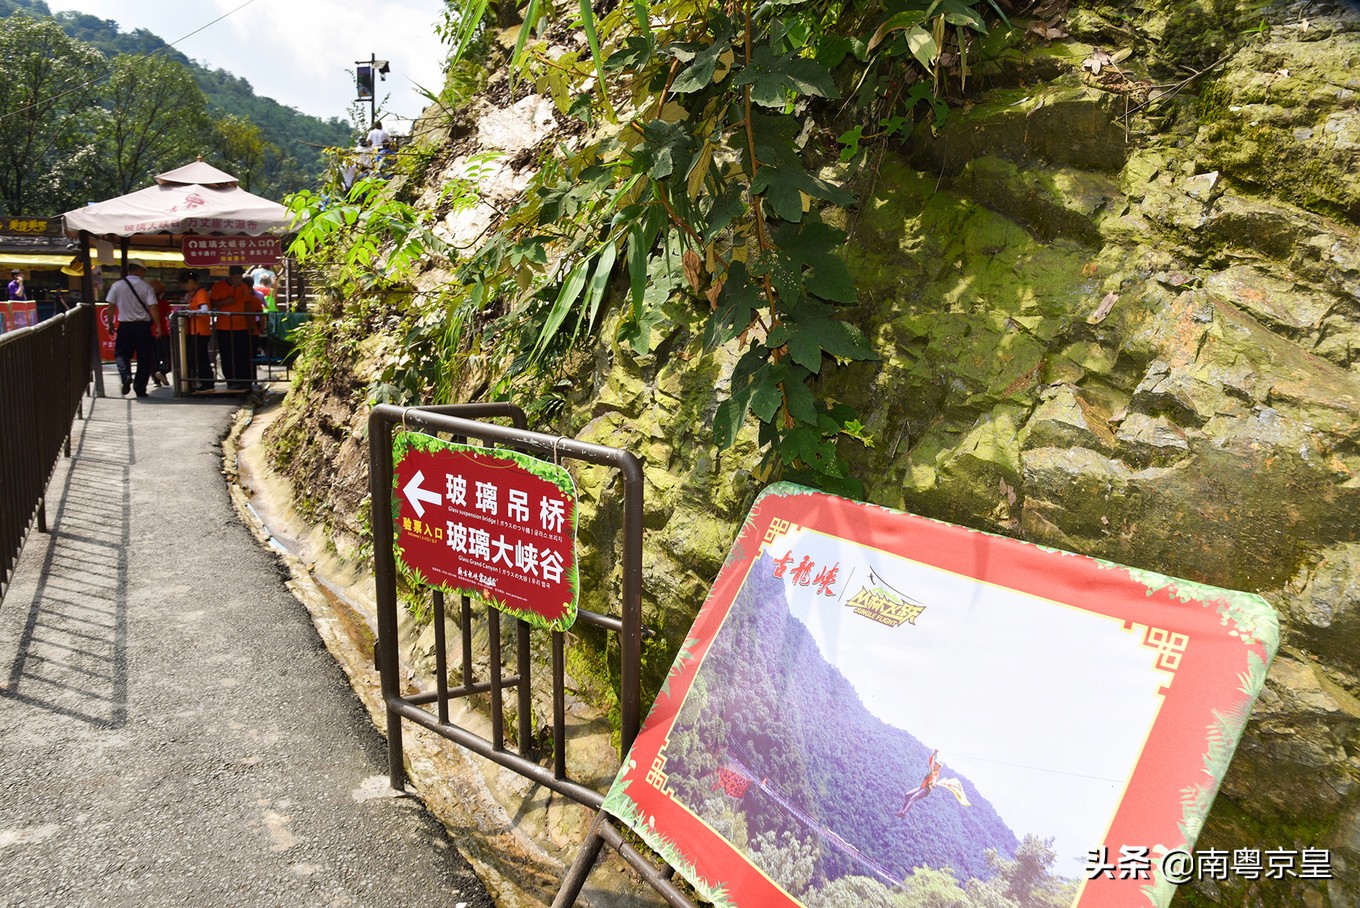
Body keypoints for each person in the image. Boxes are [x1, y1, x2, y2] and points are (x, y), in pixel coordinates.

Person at [105, 260, 161, 398]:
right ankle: (140, 389)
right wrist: (158, 325)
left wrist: (110, 324)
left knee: (121, 354)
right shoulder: (146, 287)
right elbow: (152, 307)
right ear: (140, 271)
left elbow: (111, 307)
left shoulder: (117, 286)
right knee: (144, 358)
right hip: (143, 327)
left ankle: (125, 376)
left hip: (125, 326)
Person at [209, 264, 262, 390]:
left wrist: (251, 323)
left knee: (242, 354)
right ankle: (231, 380)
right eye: (236, 278)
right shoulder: (218, 286)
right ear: (230, 276)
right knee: (227, 354)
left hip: (241, 327)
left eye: (240, 278)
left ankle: (244, 380)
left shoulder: (243, 286)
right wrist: (225, 302)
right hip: (224, 327)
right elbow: (212, 303)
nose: (238, 280)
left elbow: (247, 304)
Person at [179, 269, 214, 391]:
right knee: (201, 357)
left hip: (201, 330)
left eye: (185, 284)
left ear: (191, 281)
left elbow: (204, 310)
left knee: (197, 357)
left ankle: (206, 382)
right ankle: (206, 382)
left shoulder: (201, 293)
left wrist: (190, 312)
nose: (184, 287)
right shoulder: (193, 294)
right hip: (195, 330)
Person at [897, 749, 941, 817]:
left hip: (926, 790)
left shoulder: (936, 773)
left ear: (939, 766)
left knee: (913, 798)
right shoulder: (932, 768)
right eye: (935, 763)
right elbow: (931, 760)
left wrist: (934, 783)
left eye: (937, 764)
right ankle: (901, 812)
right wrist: (934, 753)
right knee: (907, 795)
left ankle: (904, 813)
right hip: (922, 787)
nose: (935, 764)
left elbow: (934, 779)